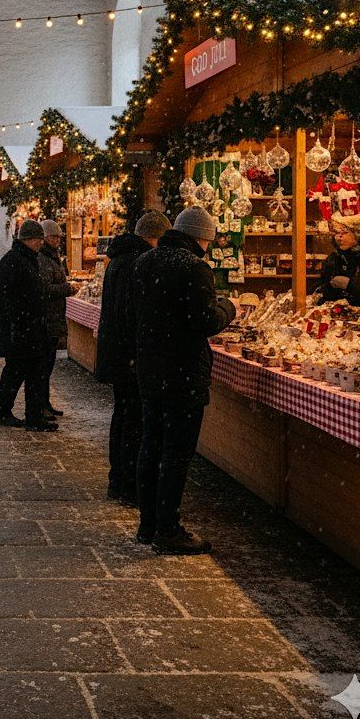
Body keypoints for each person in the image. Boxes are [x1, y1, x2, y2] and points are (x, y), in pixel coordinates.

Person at [130, 206, 236, 555]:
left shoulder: (145, 261)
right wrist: (228, 308)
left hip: (150, 370)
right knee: (176, 454)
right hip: (183, 374)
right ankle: (169, 529)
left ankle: (148, 524)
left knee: (151, 446)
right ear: (201, 238)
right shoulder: (195, 268)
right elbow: (205, 321)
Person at [96, 210, 171, 507]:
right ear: (155, 237)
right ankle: (129, 485)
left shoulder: (118, 258)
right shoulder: (137, 262)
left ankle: (118, 479)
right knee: (134, 422)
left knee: (123, 415)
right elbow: (132, 313)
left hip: (117, 352)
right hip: (129, 355)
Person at [0, 219, 56, 432]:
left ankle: (33, 415)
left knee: (32, 373)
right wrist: (17, 323)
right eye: (38, 239)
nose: (41, 243)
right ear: (28, 239)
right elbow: (6, 298)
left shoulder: (27, 259)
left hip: (29, 328)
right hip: (21, 329)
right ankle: (5, 412)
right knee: (16, 372)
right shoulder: (14, 261)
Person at [38, 219, 74, 417]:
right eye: (53, 236)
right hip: (48, 318)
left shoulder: (52, 256)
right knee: (44, 366)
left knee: (48, 365)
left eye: (59, 236)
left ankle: (45, 403)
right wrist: (66, 288)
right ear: (45, 238)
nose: (57, 240)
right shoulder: (44, 259)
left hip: (54, 317)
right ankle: (41, 405)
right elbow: (45, 289)